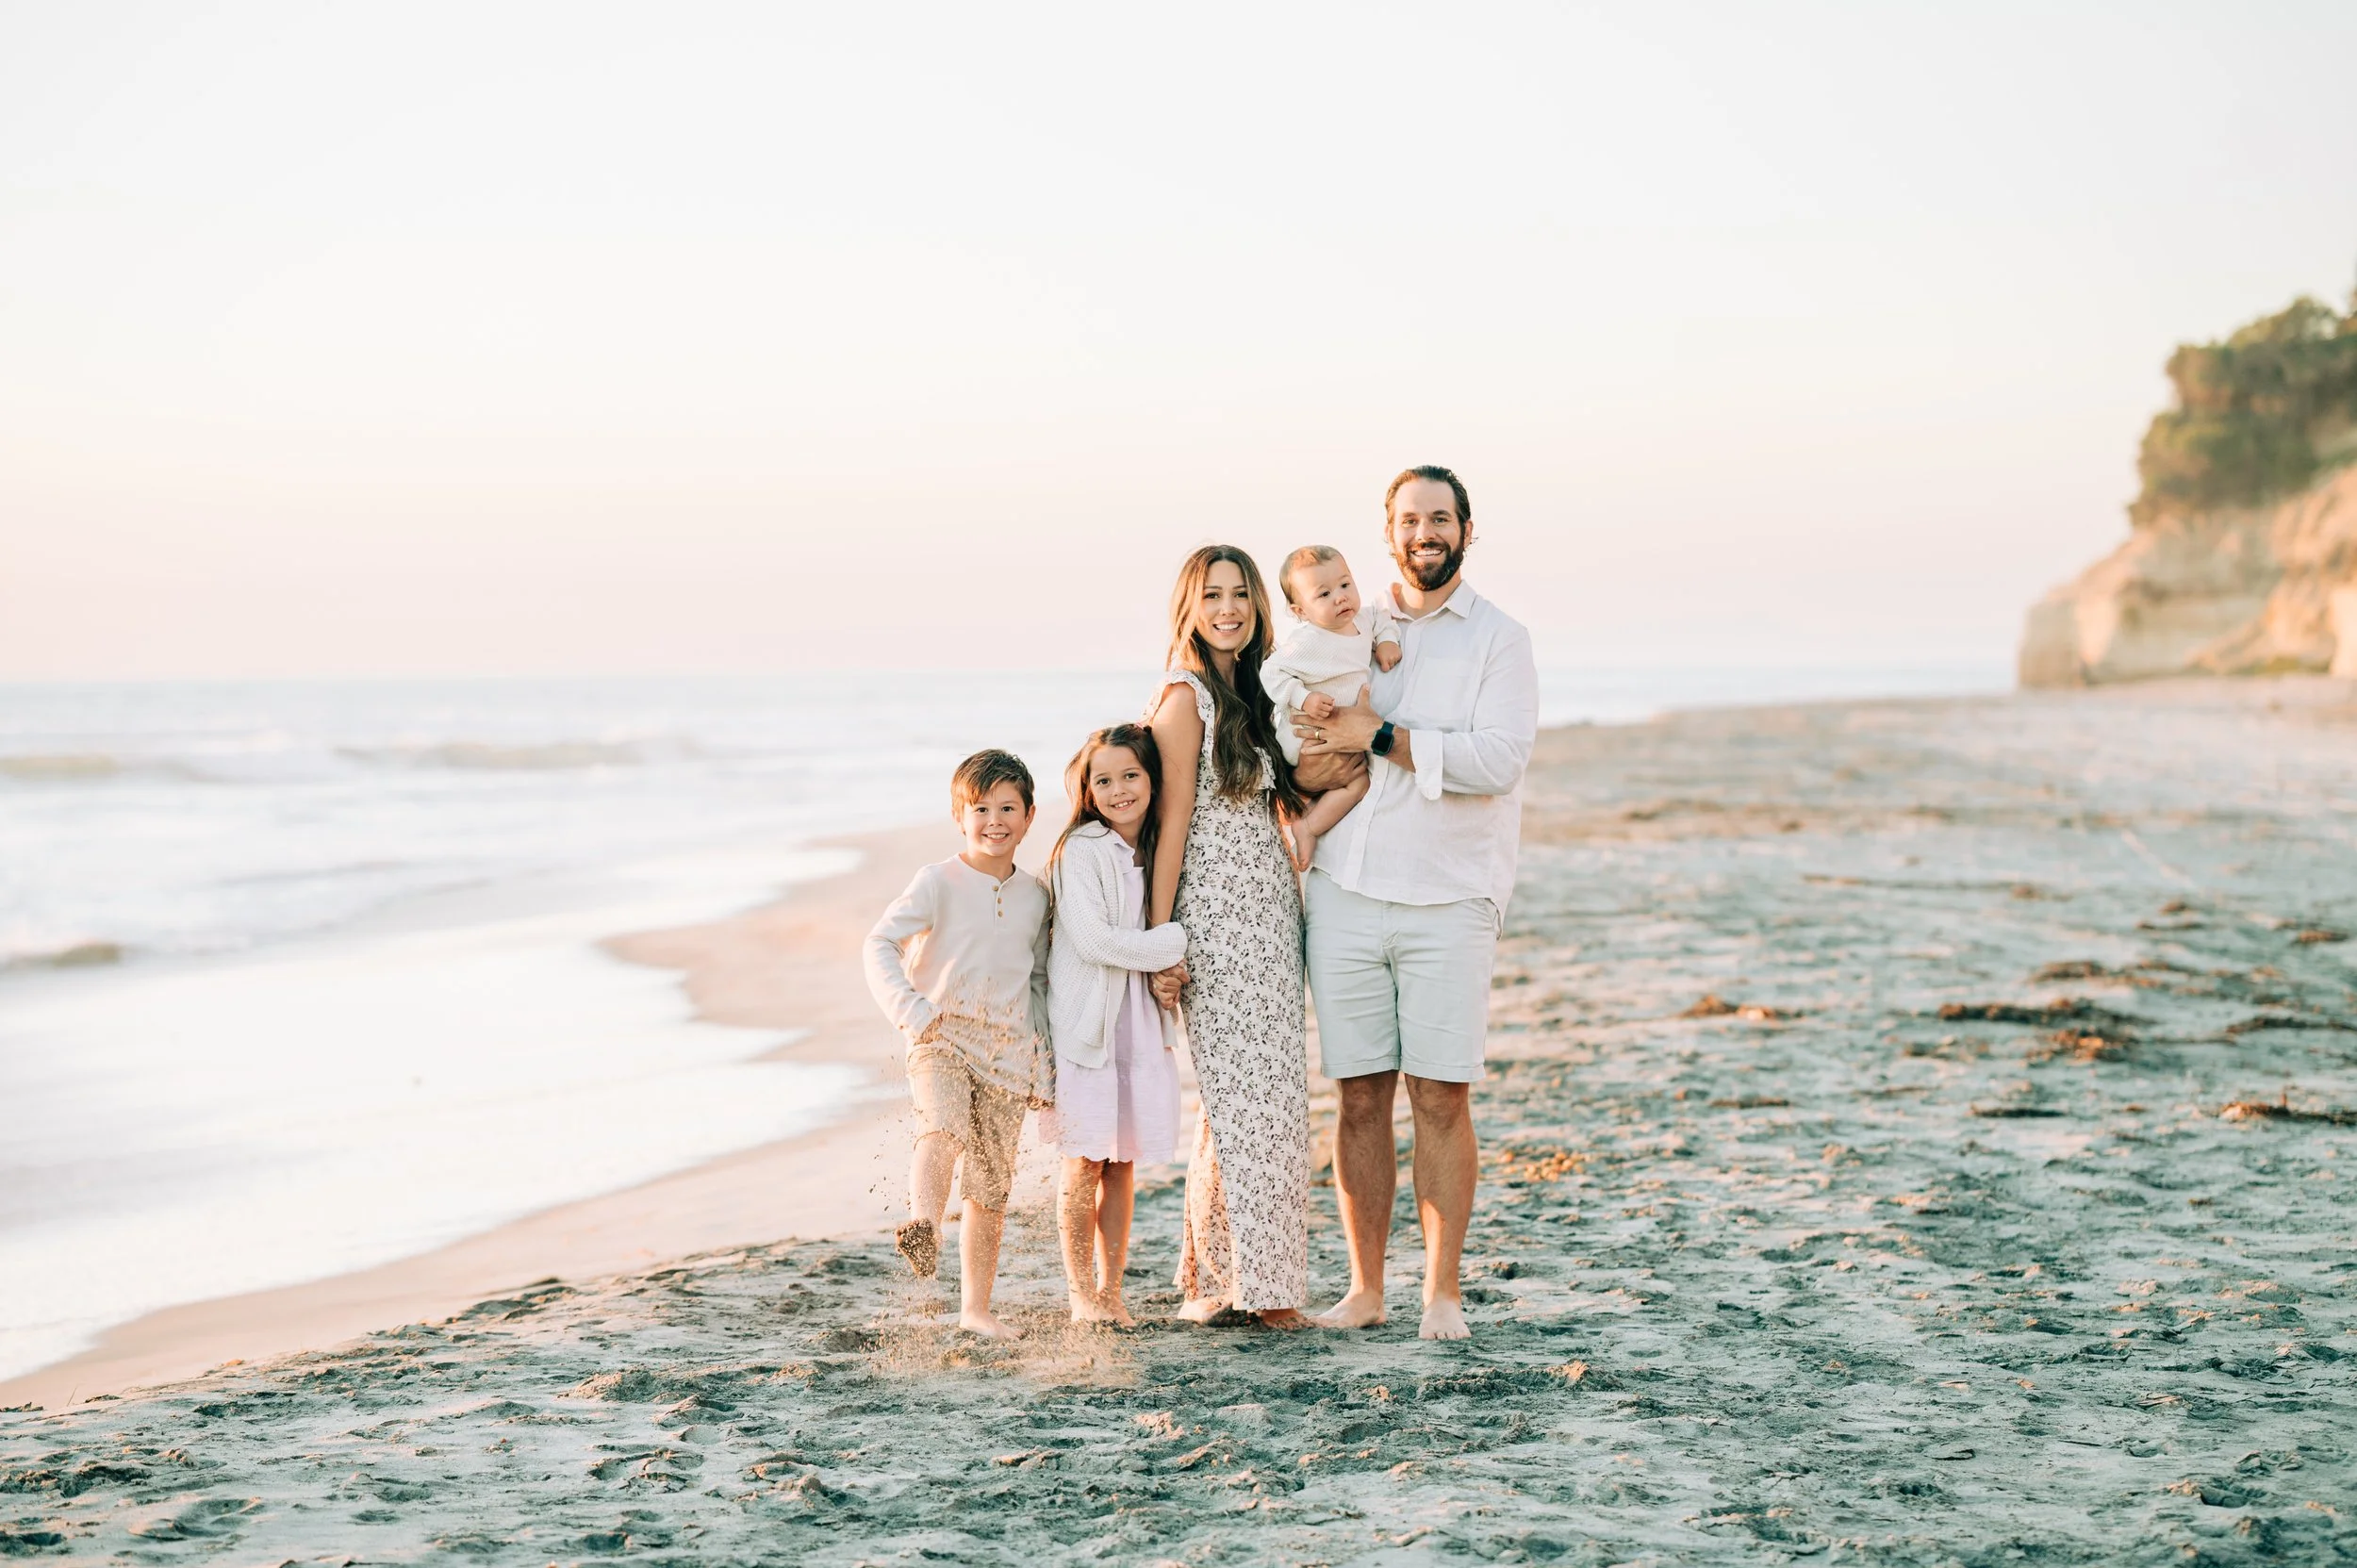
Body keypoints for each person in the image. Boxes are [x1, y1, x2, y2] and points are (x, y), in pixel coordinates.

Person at [1294, 466, 1539, 1340]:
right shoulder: (1349, 625)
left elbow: (1497, 761)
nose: (1424, 531)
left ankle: (1443, 1292)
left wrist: (1382, 737)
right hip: (1346, 892)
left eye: (1441, 518)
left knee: (1441, 1096)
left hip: (1451, 897)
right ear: (1388, 531)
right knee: (1359, 1096)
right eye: (1409, 519)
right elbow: (1292, 714)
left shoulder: (1501, 640)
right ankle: (1365, 1290)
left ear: (1467, 531)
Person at [1146, 545, 1314, 1330]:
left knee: (1248, 1105)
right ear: (1189, 605)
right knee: (1255, 1108)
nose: (1228, 608)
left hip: (1273, 918)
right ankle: (1271, 1295)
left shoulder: (1256, 689)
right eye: (1212, 594)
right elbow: (1168, 828)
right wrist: (1160, 941)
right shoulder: (1186, 700)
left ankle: (1212, 1283)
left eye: (1240, 593)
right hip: (1215, 923)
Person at [861, 749, 1052, 1342]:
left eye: (1007, 808)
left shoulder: (1037, 896)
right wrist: (914, 1013)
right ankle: (922, 1222)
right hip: (940, 1036)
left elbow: (1039, 981)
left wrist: (1042, 1064)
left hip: (1008, 1053)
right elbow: (879, 944)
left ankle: (976, 1310)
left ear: (1028, 816)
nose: (993, 820)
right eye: (980, 808)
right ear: (958, 816)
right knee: (942, 1129)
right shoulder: (938, 881)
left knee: (990, 1186)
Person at [1042, 724, 1189, 1327]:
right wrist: (1171, 946)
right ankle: (1081, 1295)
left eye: (1131, 775)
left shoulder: (1161, 846)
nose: (1119, 789)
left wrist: (1165, 966)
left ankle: (1112, 1291)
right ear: (1087, 789)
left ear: (1153, 779)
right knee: (1084, 1160)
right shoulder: (1081, 849)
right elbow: (1094, 940)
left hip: (1139, 1025)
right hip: (1089, 1028)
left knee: (1123, 1160)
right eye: (1103, 780)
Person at [1259, 544, 1404, 870]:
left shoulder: (1364, 619)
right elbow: (1271, 672)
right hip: (1308, 736)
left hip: (1345, 733)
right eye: (1323, 594)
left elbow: (1382, 619)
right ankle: (1305, 822)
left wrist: (1387, 642)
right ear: (1300, 611)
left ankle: (1308, 824)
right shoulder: (1307, 641)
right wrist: (1302, 698)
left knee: (1358, 782)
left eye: (1345, 584)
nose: (1340, 597)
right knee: (1348, 776)